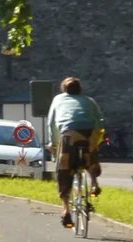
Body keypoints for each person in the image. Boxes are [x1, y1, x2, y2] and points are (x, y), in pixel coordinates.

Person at [44, 75, 105, 226]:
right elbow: (100, 121)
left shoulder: (58, 100)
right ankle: (94, 183)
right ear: (80, 90)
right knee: (91, 156)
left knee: (63, 171)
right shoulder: (90, 101)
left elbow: (51, 123)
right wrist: (96, 141)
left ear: (64, 90)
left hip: (69, 134)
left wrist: (54, 143)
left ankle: (66, 210)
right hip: (89, 132)